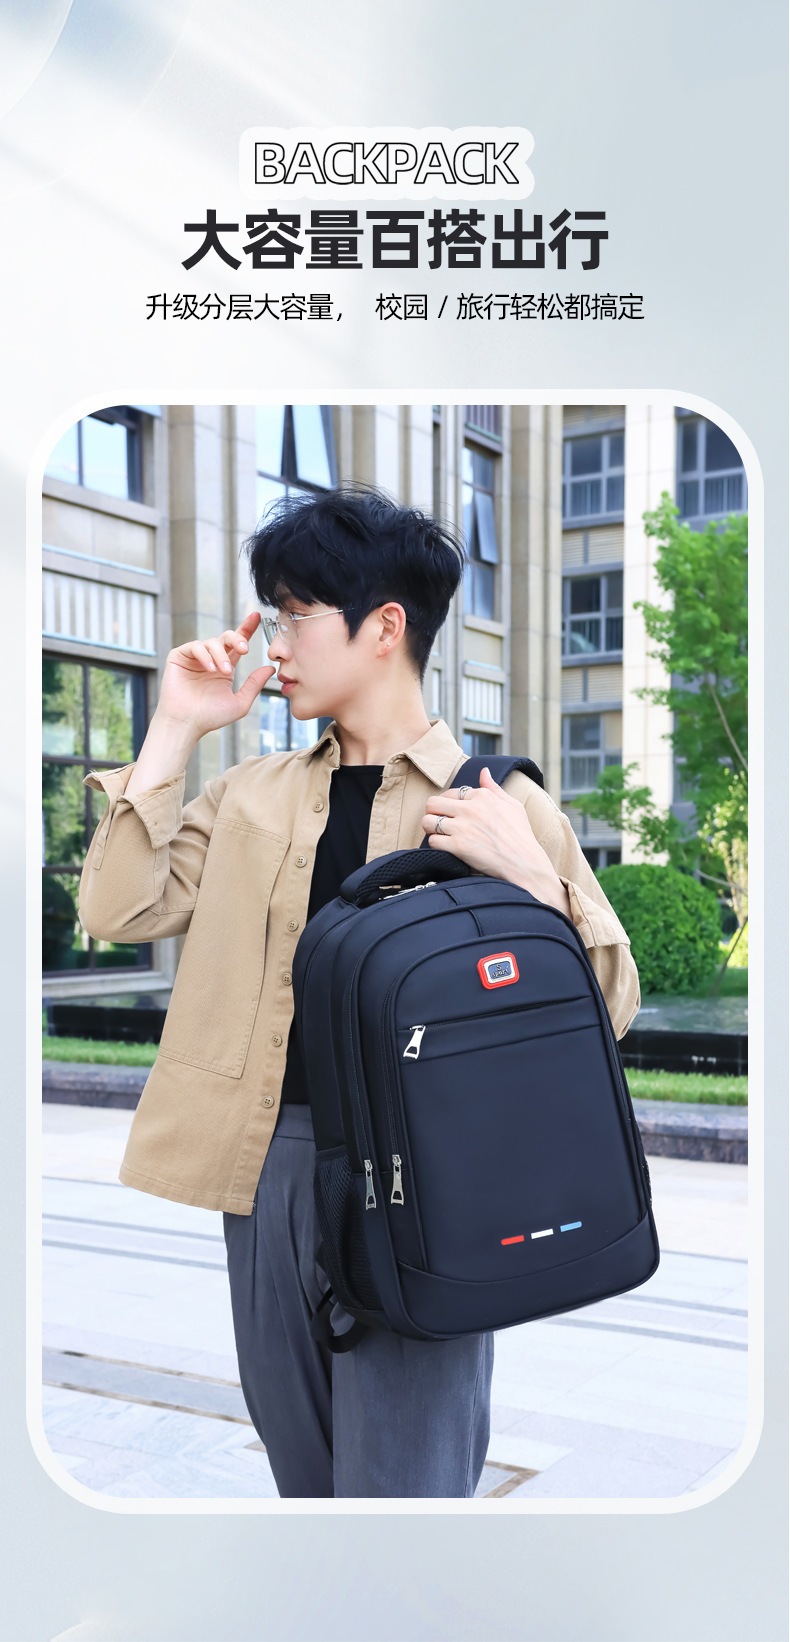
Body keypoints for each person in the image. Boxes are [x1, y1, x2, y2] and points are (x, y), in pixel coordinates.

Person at [78, 484, 640, 1499]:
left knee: (407, 1487)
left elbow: (607, 1003)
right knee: (303, 1477)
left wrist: (530, 875)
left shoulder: (495, 800)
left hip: (432, 1177)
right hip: (265, 1168)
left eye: (296, 615)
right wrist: (174, 728)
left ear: (384, 627)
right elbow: (118, 907)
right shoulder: (249, 796)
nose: (274, 642)